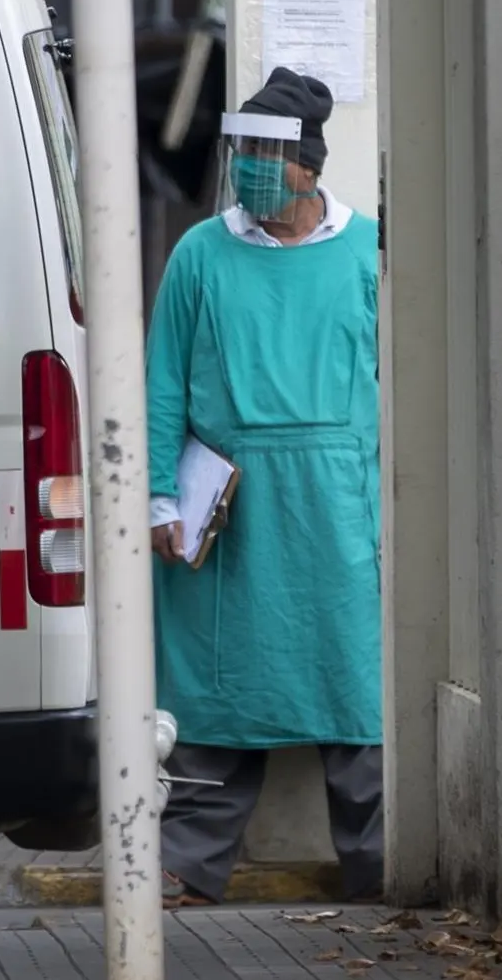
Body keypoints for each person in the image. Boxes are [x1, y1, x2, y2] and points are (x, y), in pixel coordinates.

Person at [144, 68, 382, 908]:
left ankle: (385, 869)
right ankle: (183, 870)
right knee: (216, 693)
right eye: (240, 148)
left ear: (309, 169)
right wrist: (160, 499)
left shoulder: (370, 251)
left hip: (345, 508)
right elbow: (162, 382)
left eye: (265, 154)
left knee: (358, 688)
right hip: (230, 510)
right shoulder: (201, 253)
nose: (246, 166)